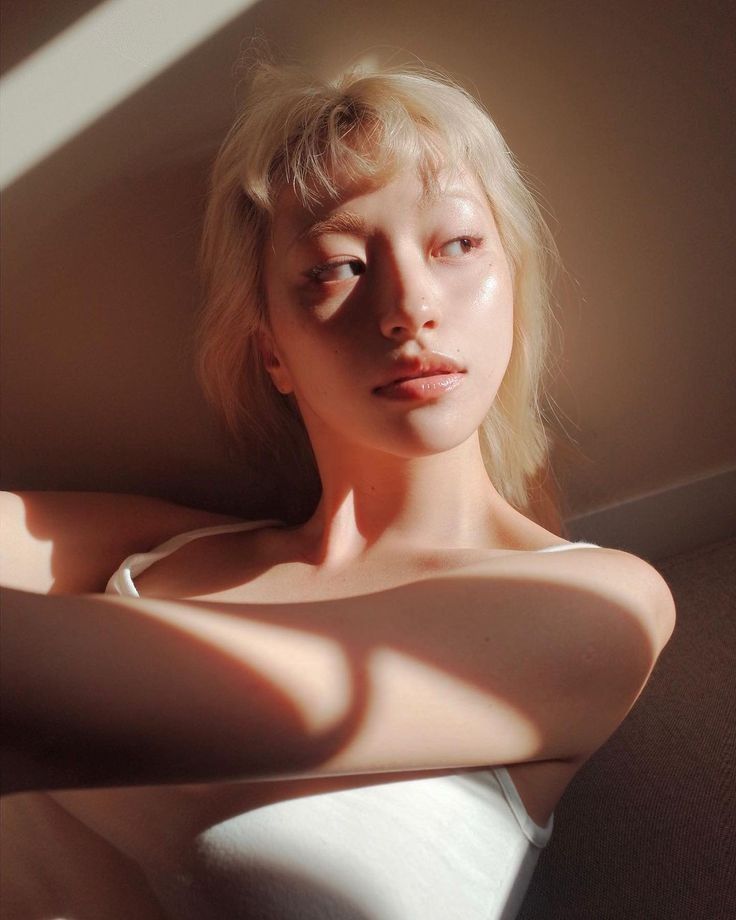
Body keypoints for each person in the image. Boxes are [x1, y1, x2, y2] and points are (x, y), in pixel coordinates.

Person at [0, 57, 675, 919]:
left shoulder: (596, 603)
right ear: (270, 346)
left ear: (514, 284)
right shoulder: (152, 551)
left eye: (458, 245)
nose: (410, 306)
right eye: (339, 266)